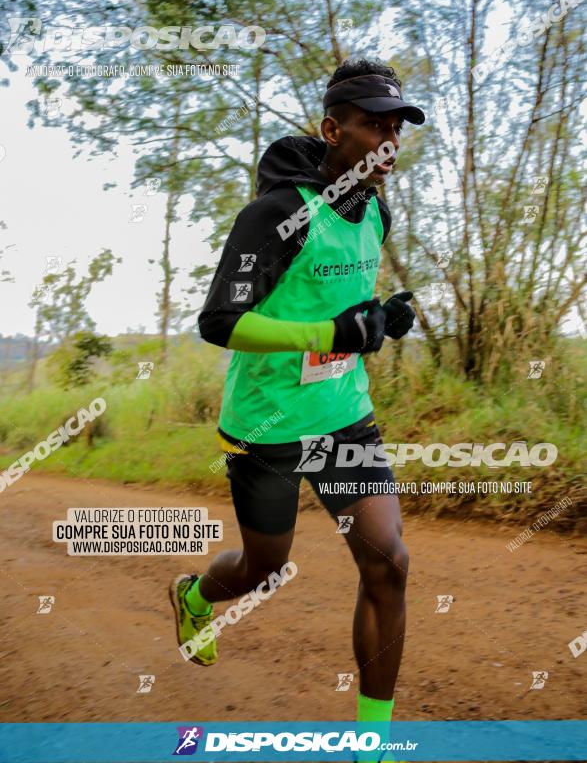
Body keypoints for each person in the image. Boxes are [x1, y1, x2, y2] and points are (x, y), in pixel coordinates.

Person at [169, 57, 424, 747]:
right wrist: (329, 332)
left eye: (396, 125)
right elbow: (218, 323)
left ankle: (373, 748)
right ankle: (195, 597)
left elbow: (341, 304)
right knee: (263, 569)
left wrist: (376, 320)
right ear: (331, 130)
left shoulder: (375, 207)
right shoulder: (275, 215)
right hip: (265, 425)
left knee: (388, 562)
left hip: (342, 413)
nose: (389, 139)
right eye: (374, 125)